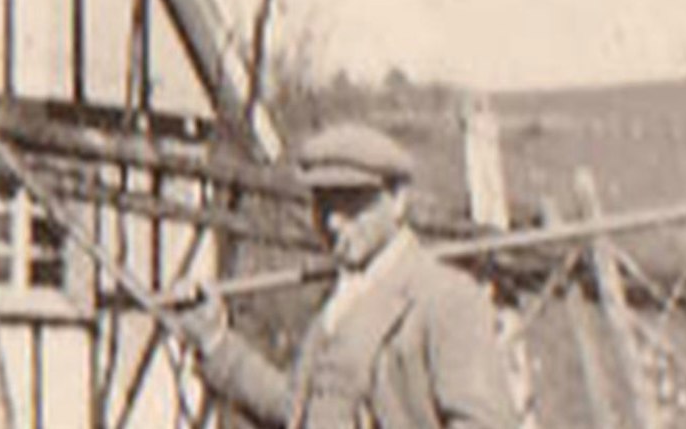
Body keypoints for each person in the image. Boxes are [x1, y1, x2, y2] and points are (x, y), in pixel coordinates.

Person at [179, 122, 521, 429]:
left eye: (351, 202)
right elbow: (296, 412)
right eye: (323, 203)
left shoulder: (446, 300)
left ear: (398, 199)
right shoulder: (337, 305)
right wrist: (215, 342)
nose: (332, 221)